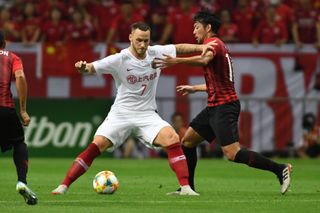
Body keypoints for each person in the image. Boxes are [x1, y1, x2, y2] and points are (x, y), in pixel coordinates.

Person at [51, 22, 213, 196]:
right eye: (139, 40)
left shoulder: (156, 53)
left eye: (146, 41)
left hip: (147, 114)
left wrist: (202, 46)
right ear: (130, 38)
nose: (143, 45)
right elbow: (91, 67)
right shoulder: (119, 59)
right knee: (97, 145)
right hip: (121, 114)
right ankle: (64, 185)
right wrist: (83, 68)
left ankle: (186, 188)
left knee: (172, 137)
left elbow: (179, 48)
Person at [153, 9, 292, 195]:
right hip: (214, 107)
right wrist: (195, 88)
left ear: (208, 28)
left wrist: (176, 61)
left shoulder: (214, 43)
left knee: (232, 153)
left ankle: (279, 169)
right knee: (187, 141)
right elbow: (220, 82)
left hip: (224, 107)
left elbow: (204, 59)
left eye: (196, 27)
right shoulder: (219, 47)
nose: (194, 32)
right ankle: (187, 188)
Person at [0, 30, 37, 205]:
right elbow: (20, 76)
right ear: (4, 43)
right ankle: (22, 181)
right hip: (5, 109)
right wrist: (23, 109)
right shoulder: (12, 57)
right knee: (19, 143)